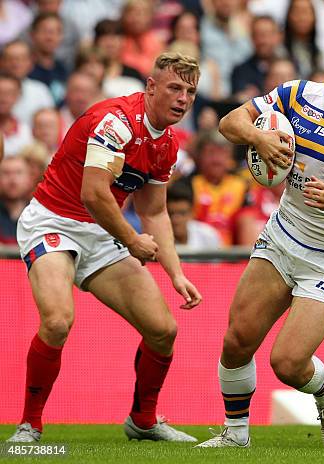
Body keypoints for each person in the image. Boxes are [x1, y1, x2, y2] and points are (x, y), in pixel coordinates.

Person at [195, 29, 324, 449]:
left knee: (288, 363)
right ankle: (236, 435)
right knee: (237, 340)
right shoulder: (297, 95)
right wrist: (259, 137)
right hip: (282, 238)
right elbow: (229, 121)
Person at [6, 52, 203, 443]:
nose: (183, 99)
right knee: (58, 321)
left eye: (191, 92)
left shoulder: (167, 143)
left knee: (163, 330)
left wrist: (175, 272)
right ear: (151, 87)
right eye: (175, 88)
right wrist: (131, 241)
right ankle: (30, 424)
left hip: (101, 232)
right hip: (53, 222)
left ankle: (143, 421)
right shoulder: (115, 122)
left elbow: (154, 211)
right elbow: (94, 194)